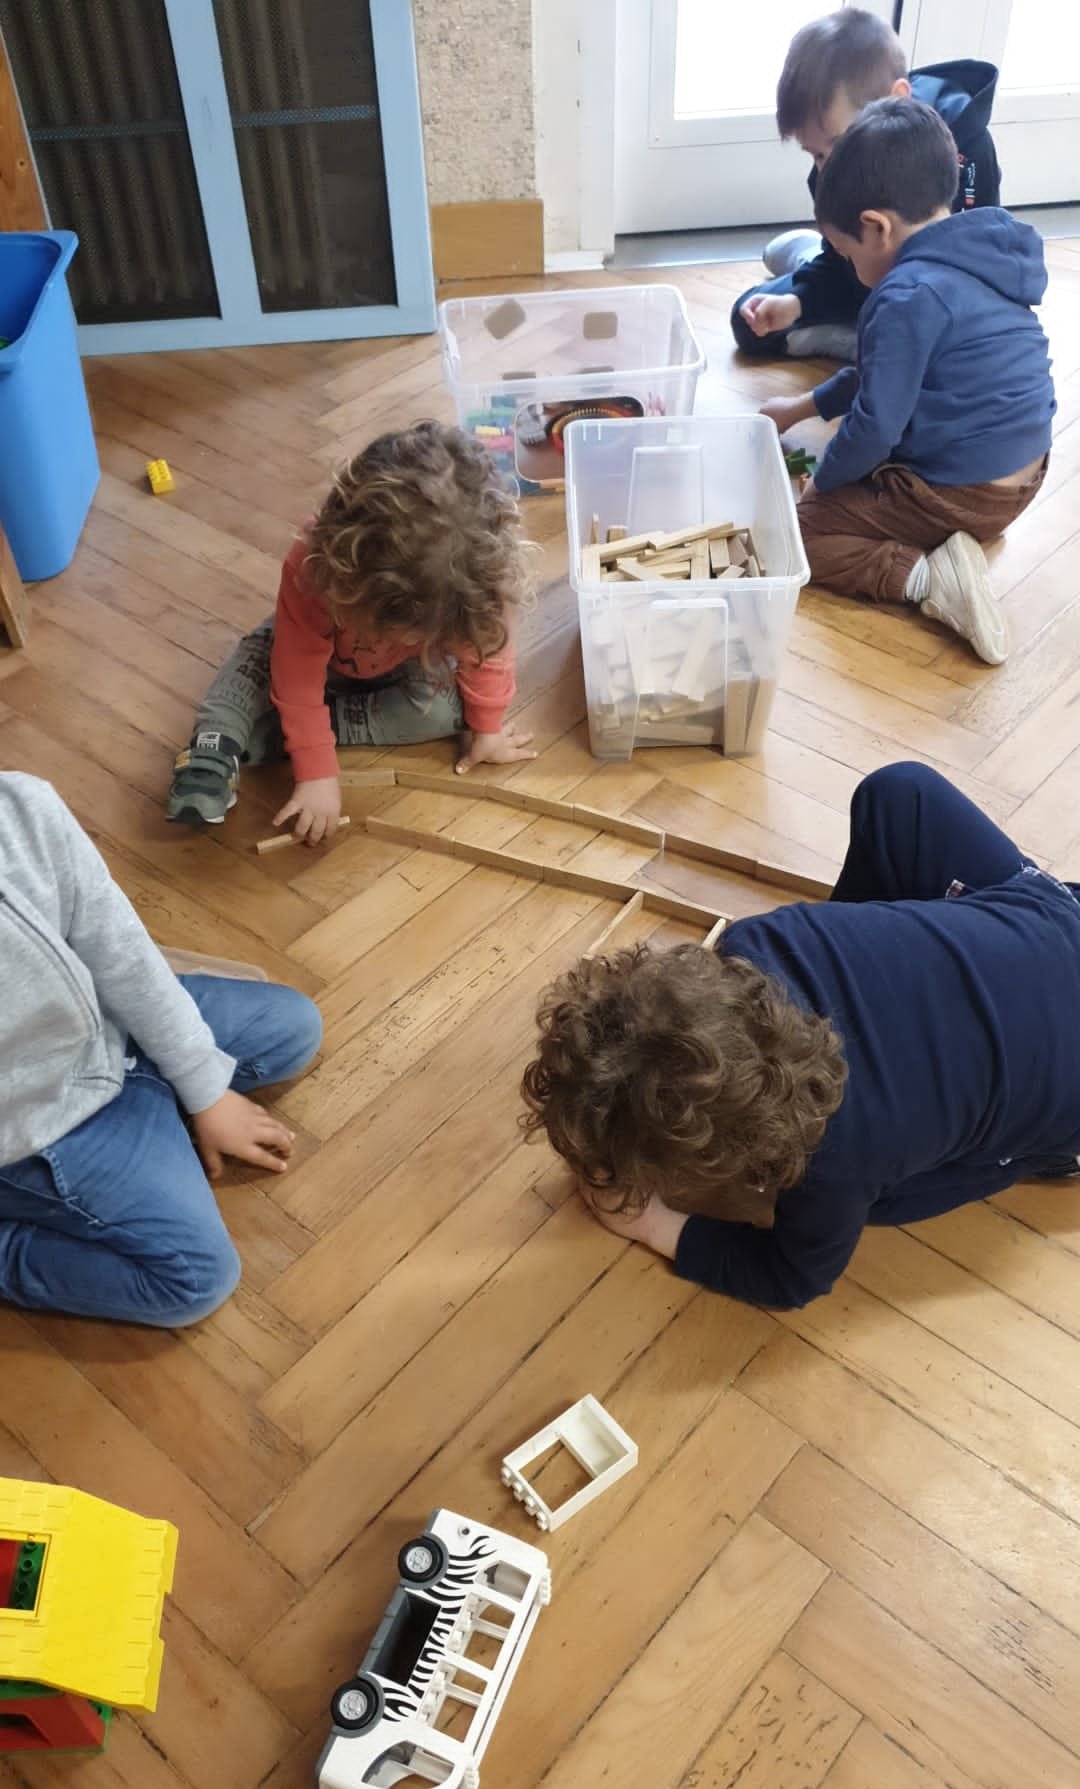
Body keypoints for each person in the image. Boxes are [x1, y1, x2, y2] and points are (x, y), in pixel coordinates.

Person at [521, 762, 1080, 1312]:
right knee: (896, 794)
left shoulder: (834, 1166)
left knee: (885, 1201)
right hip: (1061, 922)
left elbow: (791, 1277)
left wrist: (653, 1225)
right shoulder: (756, 942)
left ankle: (1056, 1153)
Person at [0, 773, 322, 1325]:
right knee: (194, 1280)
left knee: (295, 1028)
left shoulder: (20, 806)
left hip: (109, 1037)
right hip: (40, 1125)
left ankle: (165, 1105)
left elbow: (120, 951)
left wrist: (203, 1087)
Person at [766, 98, 1053, 666]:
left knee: (799, 536)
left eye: (846, 254)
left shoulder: (904, 296)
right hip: (1024, 478)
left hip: (965, 494)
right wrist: (801, 408)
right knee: (863, 448)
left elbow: (875, 427)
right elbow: (880, 377)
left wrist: (824, 484)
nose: (851, 270)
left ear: (876, 228)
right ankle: (949, 536)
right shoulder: (980, 253)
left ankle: (929, 578)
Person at [166, 420, 535, 841]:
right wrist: (317, 774)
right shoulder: (312, 565)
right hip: (308, 656)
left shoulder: (480, 587)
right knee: (251, 666)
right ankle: (214, 744)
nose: (399, 639)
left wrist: (486, 729)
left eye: (411, 632)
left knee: (453, 713)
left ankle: (282, 735)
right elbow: (296, 676)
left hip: (401, 676)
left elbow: (488, 654)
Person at [732, 7, 1000, 361]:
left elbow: (982, 269)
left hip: (931, 298)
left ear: (896, 99)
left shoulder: (968, 150)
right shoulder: (831, 168)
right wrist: (798, 301)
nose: (828, 168)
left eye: (836, 144)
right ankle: (813, 261)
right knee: (749, 319)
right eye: (817, 155)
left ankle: (856, 336)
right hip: (862, 274)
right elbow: (841, 268)